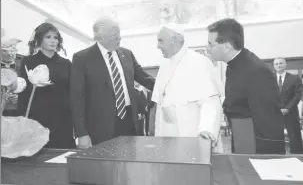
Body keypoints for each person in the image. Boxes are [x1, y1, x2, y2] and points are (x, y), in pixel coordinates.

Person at [70, 16, 155, 149]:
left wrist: (166, 87)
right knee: (105, 167)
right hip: (100, 127)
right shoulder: (82, 58)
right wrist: (81, 133)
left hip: (129, 122)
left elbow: (144, 78)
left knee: (130, 164)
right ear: (100, 37)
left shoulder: (127, 54)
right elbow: (77, 98)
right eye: (115, 35)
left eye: (119, 34)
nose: (119, 38)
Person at [207, 18, 285, 154]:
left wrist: (269, 158)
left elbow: (269, 119)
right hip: (241, 134)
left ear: (226, 47)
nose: (207, 49)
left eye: (210, 44)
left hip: (256, 142)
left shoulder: (257, 71)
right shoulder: (234, 64)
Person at [149, 23, 223, 152]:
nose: (157, 46)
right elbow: (158, 102)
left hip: (190, 133)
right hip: (166, 133)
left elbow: (211, 102)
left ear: (174, 40)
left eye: (161, 41)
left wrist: (206, 129)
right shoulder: (165, 64)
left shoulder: (199, 62)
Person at [17, 23, 76, 149]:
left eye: (55, 38)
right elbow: (23, 93)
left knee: (61, 154)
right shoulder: (29, 61)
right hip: (38, 116)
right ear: (40, 39)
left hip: (62, 117)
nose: (53, 41)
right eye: (48, 37)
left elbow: (72, 92)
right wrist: (22, 119)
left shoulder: (66, 64)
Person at [273, 58, 303, 153]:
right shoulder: (269, 79)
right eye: (276, 64)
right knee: (276, 137)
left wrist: (287, 108)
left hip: (291, 113)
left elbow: (297, 96)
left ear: (286, 64)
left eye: (281, 63)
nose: (279, 65)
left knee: (295, 138)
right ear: (274, 66)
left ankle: (297, 158)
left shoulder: (295, 78)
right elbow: (267, 96)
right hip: (275, 113)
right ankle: (278, 156)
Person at [1, 31, 22, 116]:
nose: (9, 54)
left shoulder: (24, 66)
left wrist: (20, 98)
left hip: (12, 112)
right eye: (4, 51)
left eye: (12, 50)